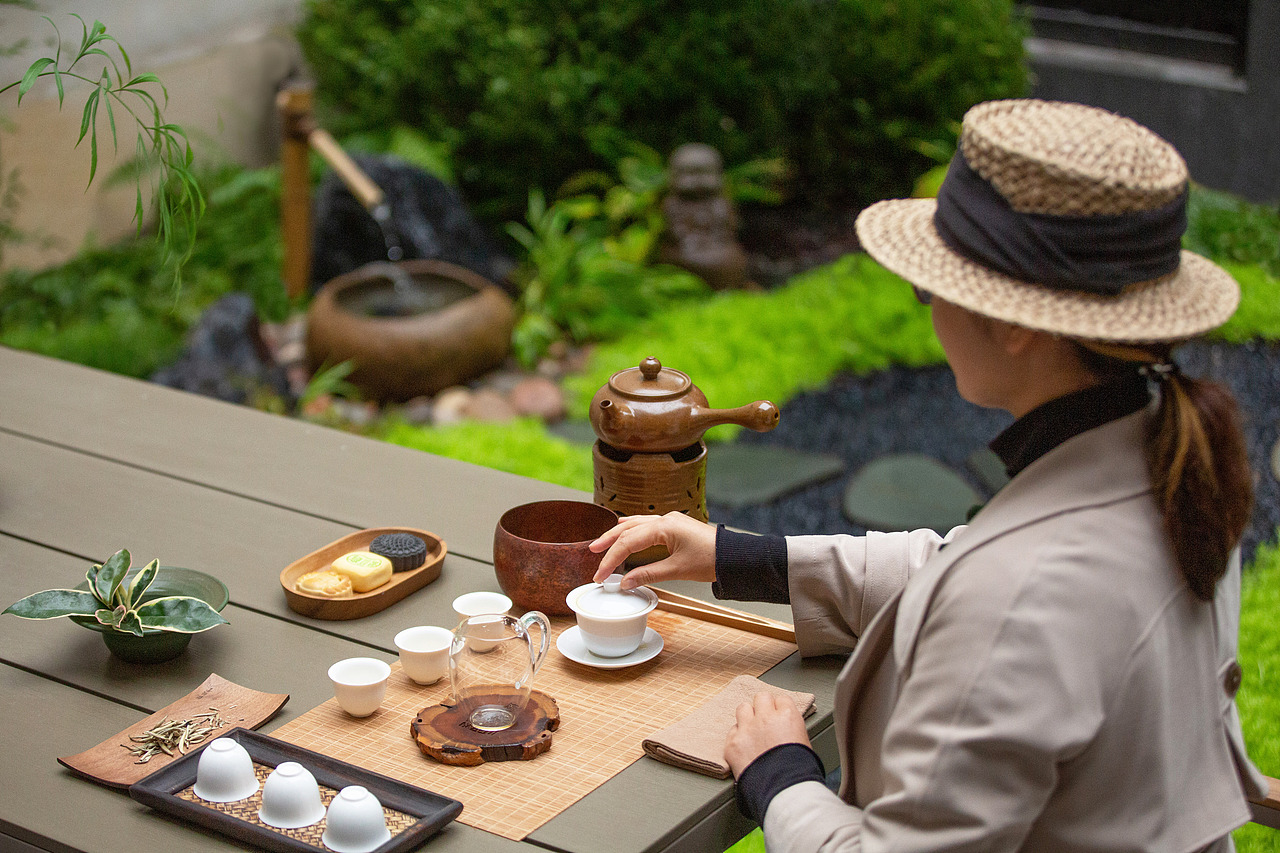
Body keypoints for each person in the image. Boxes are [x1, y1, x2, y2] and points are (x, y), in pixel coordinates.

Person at [589, 99, 1267, 852]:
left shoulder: (1023, 592)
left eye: (930, 286)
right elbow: (957, 562)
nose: (929, 308)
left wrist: (779, 771)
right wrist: (737, 554)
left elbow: (1000, 600)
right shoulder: (1171, 457)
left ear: (1014, 325)